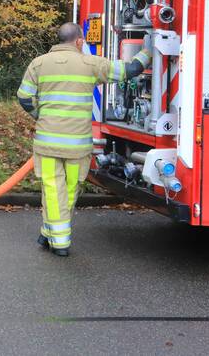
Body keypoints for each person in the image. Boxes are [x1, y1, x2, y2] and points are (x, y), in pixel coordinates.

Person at [17, 22, 152, 256]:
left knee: (51, 189)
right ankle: (60, 242)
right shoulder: (90, 64)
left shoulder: (38, 64)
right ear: (79, 41)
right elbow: (129, 70)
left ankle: (50, 234)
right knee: (69, 190)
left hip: (47, 143)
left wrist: (40, 115)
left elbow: (24, 97)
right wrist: (149, 50)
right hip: (77, 146)